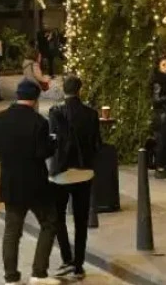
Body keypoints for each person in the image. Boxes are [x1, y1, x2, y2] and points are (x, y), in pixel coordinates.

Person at [0, 79, 60, 285]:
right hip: (35, 183)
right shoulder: (39, 122)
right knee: (49, 222)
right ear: (36, 98)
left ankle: (11, 277)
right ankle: (39, 273)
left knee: (12, 231)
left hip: (10, 182)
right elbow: (42, 152)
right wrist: (52, 144)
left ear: (18, 96)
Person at [49, 75, 100, 281]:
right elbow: (97, 143)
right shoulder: (91, 114)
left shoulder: (56, 112)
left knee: (58, 217)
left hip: (61, 173)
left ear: (63, 90)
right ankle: (78, 265)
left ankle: (66, 258)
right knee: (81, 219)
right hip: (84, 171)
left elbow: (51, 141)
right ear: (80, 90)